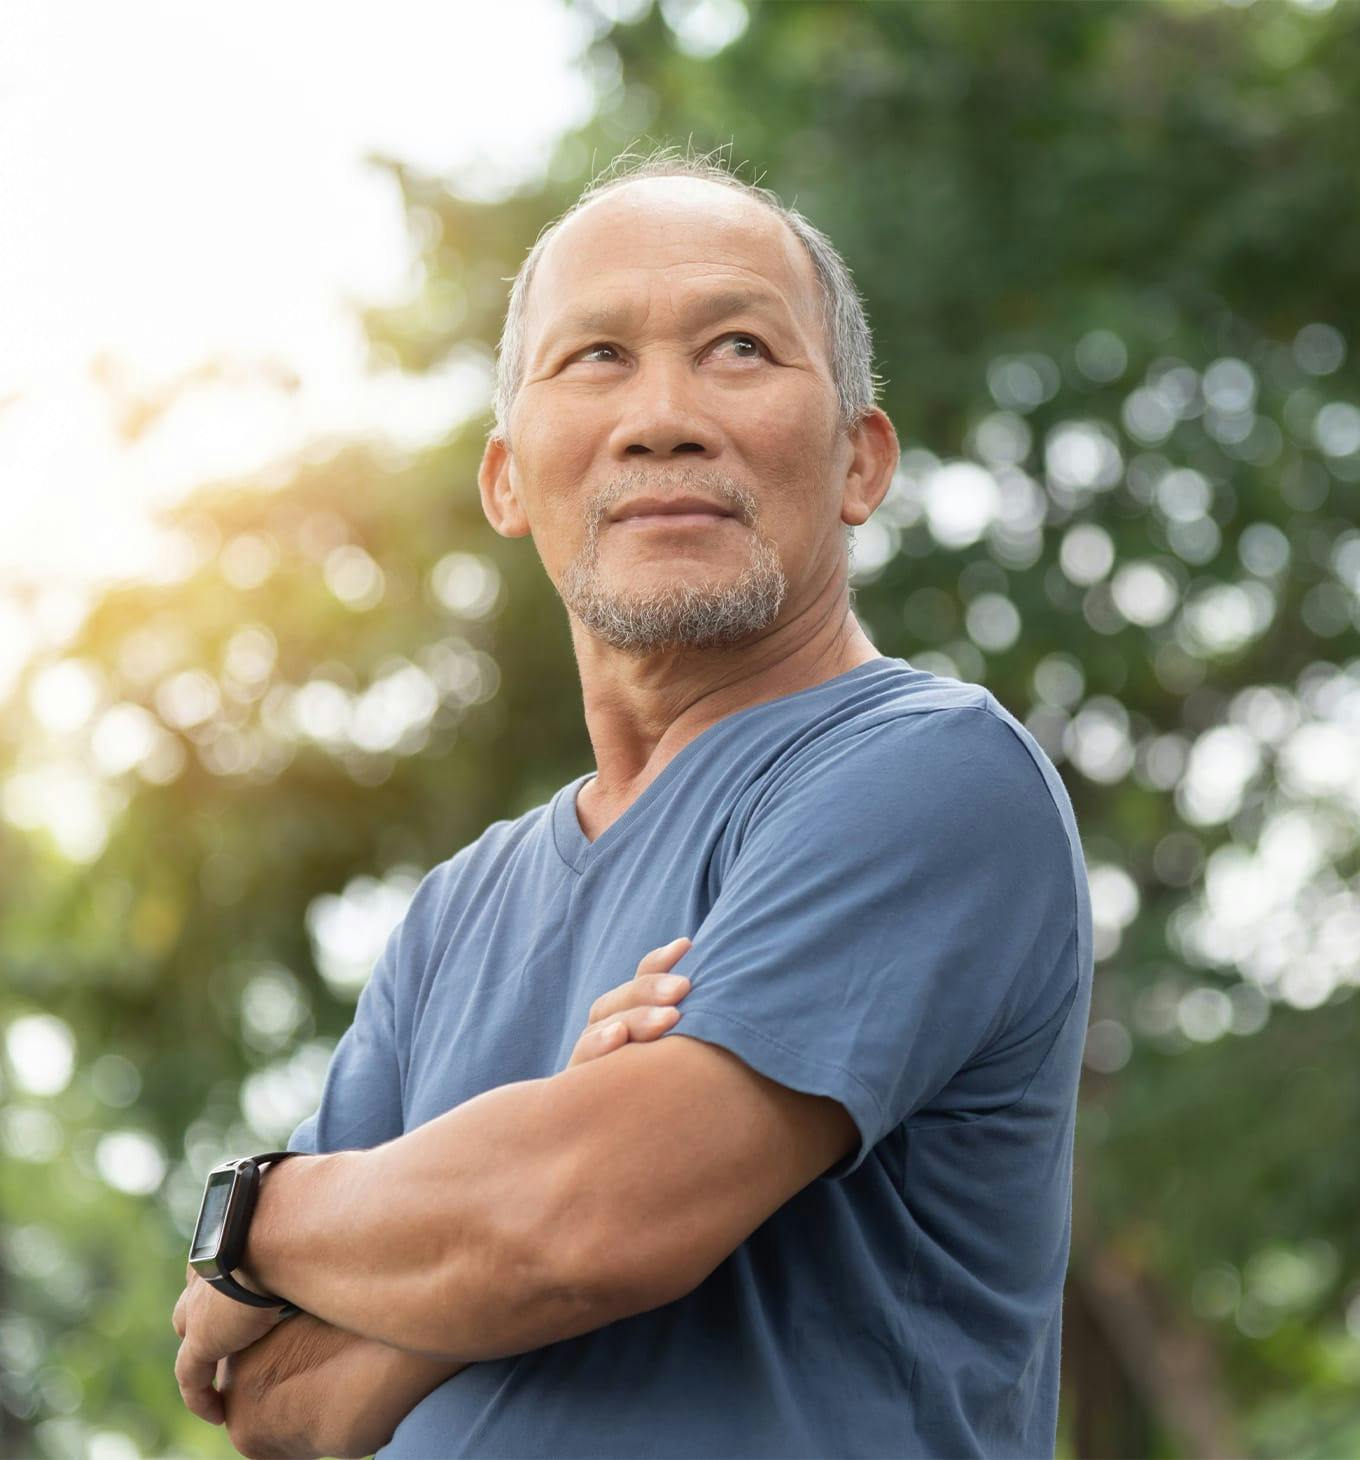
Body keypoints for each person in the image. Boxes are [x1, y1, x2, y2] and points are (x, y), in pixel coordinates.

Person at [171, 144, 1094, 1460]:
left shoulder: (931, 775)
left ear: (860, 462)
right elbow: (267, 1399)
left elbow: (590, 1224)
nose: (662, 415)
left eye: (737, 348)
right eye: (595, 357)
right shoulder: (453, 917)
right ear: (506, 479)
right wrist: (541, 1170)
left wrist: (263, 1215)